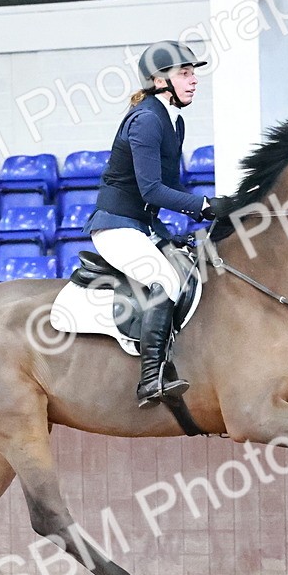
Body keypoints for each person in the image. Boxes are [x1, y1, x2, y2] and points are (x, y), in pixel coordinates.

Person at [85, 40, 232, 409]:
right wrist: (202, 204)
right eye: (185, 73)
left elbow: (170, 186)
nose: (194, 79)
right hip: (116, 226)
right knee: (164, 280)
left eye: (193, 72)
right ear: (158, 80)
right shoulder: (147, 120)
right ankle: (150, 380)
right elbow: (152, 188)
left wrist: (212, 210)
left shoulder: (172, 119)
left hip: (142, 225)